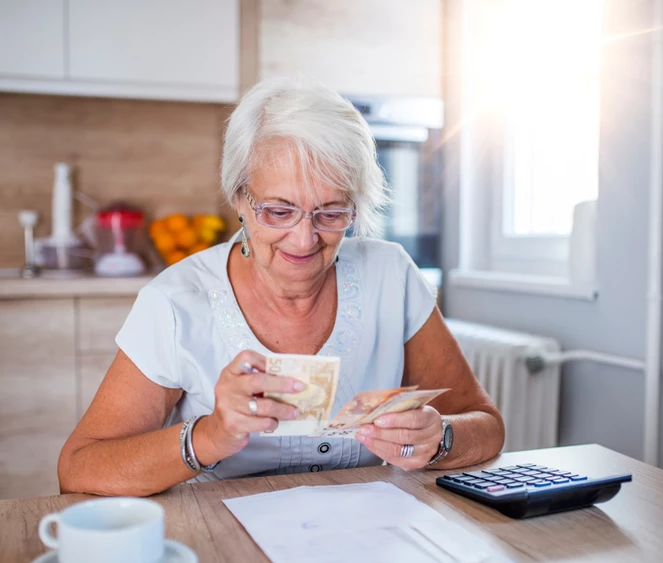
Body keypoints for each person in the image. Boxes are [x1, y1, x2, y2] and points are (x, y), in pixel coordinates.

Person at [58, 78, 505, 496]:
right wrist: (210, 435)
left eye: (331, 213)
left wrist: (439, 437)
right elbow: (79, 468)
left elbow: (486, 425)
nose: (304, 238)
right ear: (239, 199)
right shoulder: (175, 302)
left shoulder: (391, 275)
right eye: (278, 211)